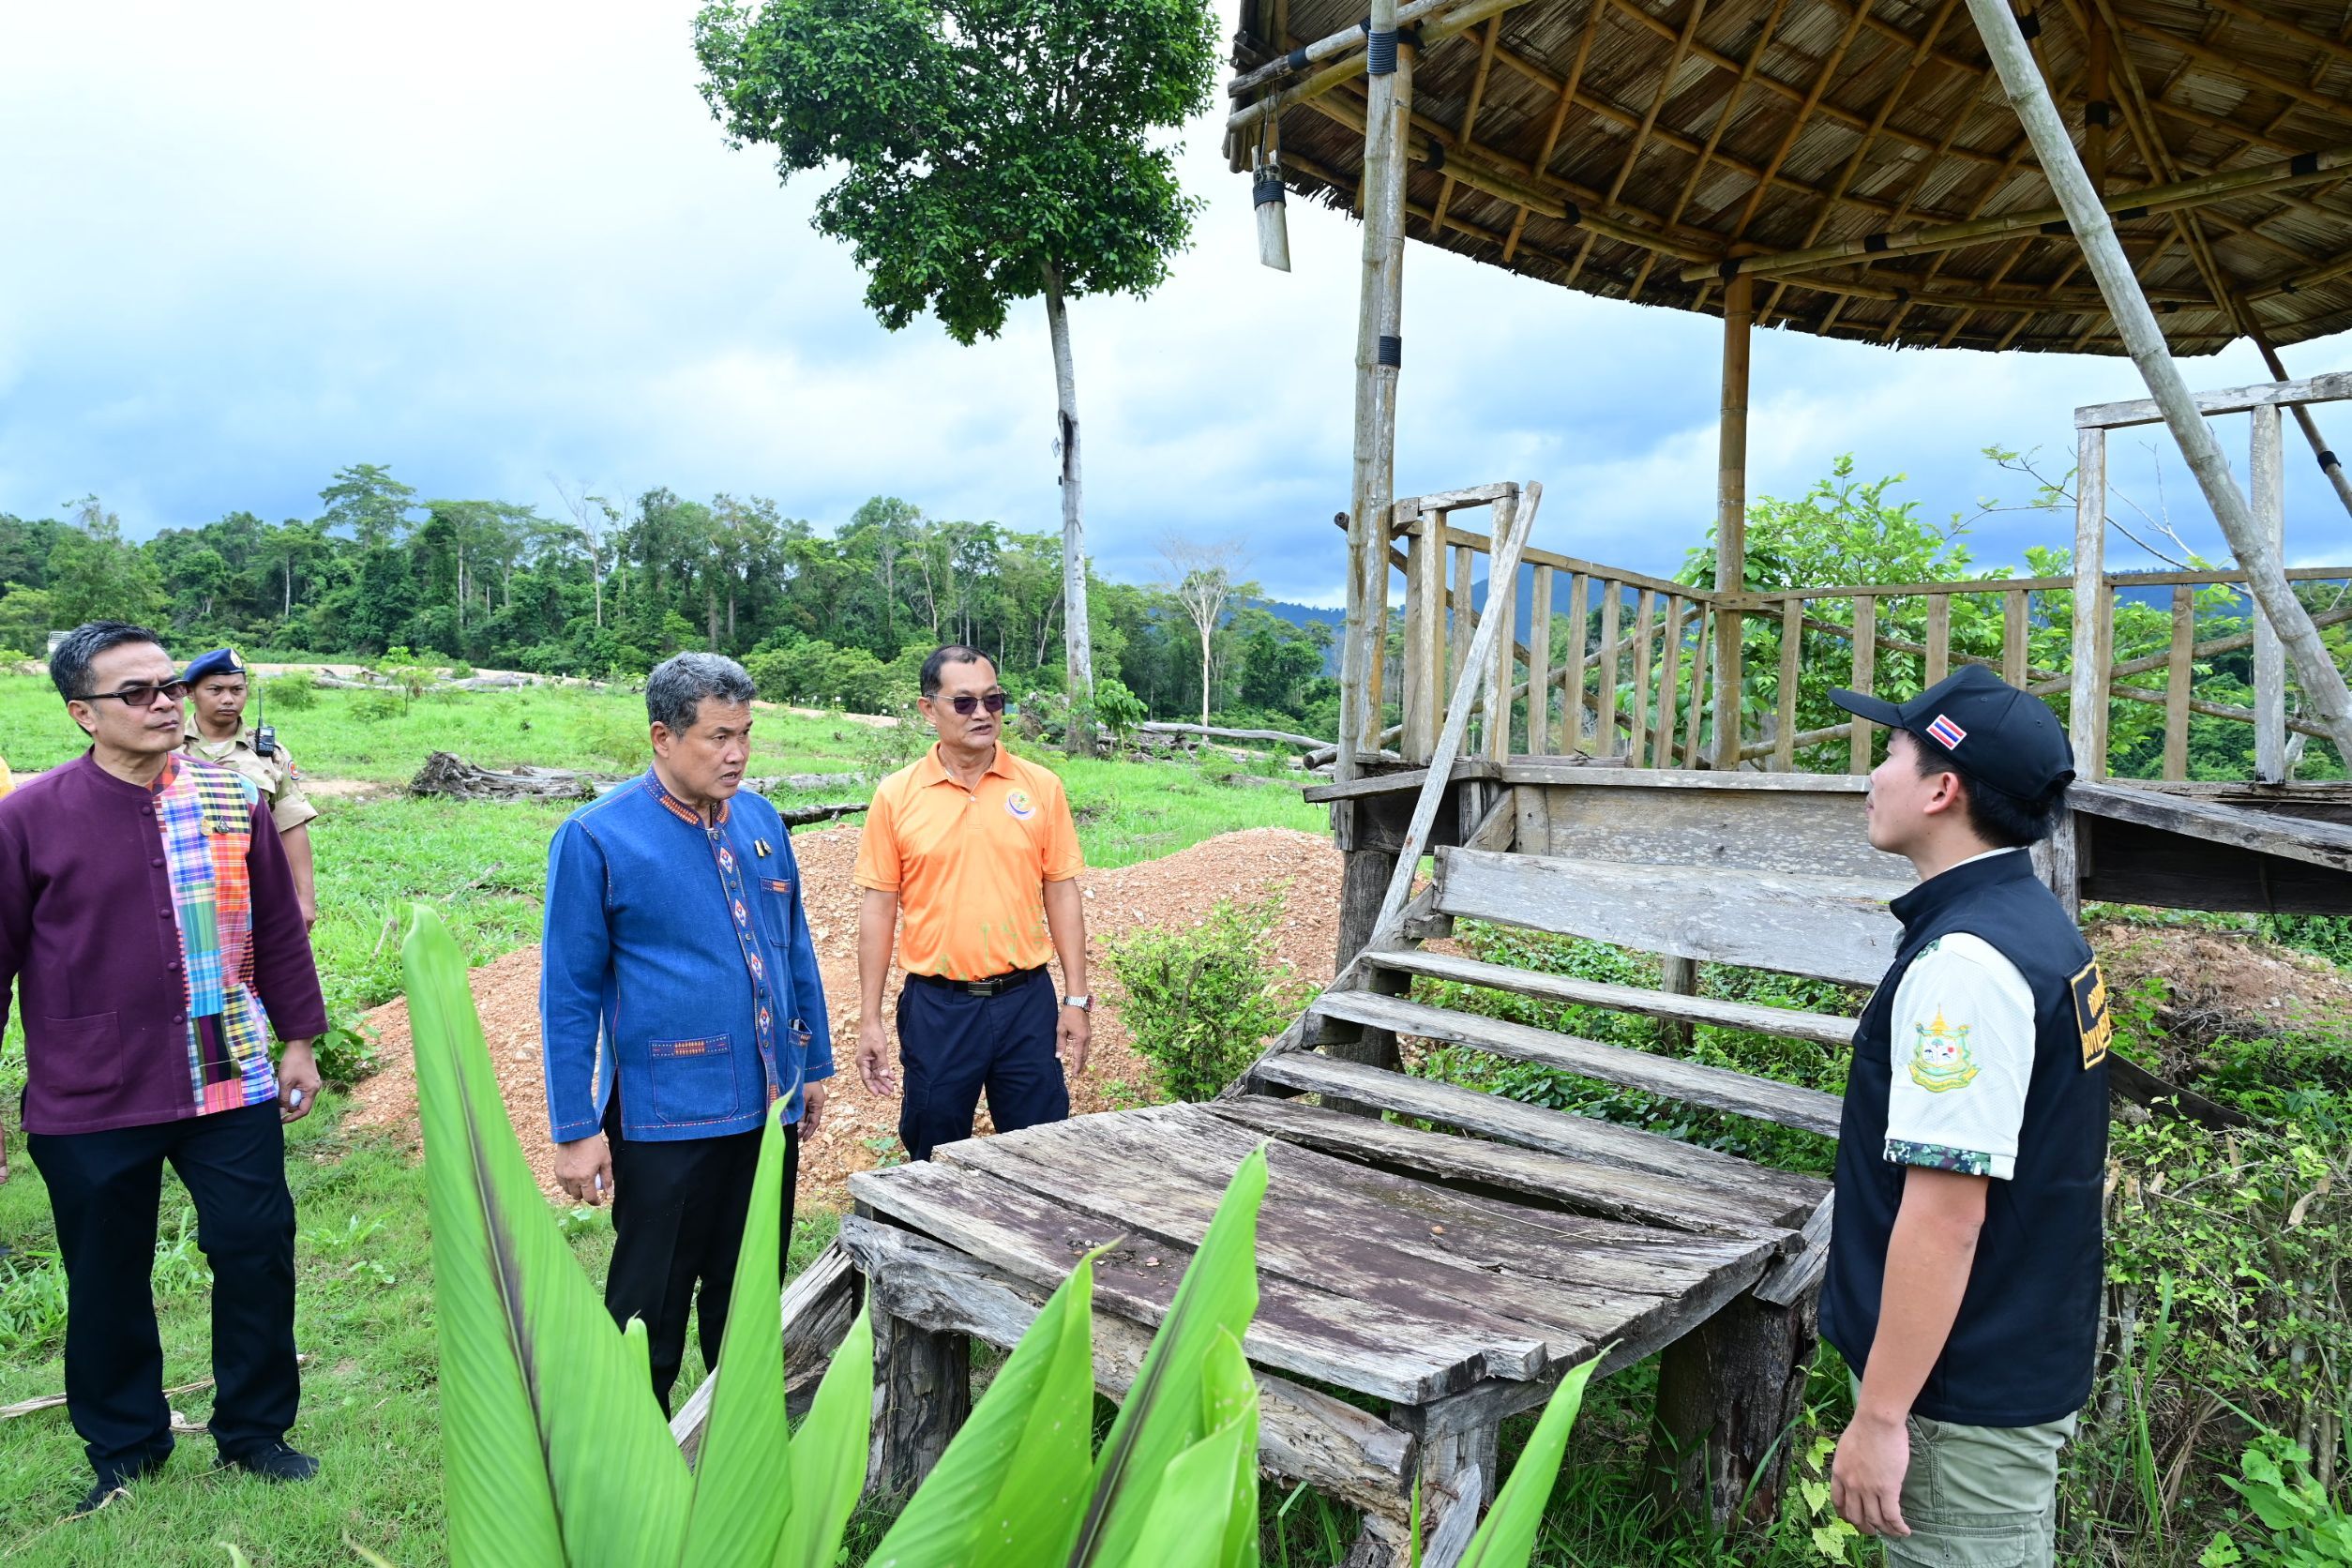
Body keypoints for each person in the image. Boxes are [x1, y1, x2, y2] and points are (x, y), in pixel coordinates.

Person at [0, 622, 326, 1515]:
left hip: (225, 1074)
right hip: (90, 1092)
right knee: (106, 1273)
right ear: (82, 714)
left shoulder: (232, 800)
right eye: (136, 694)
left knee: (257, 1249)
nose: (164, 705)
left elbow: (277, 931)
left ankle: (255, 1430)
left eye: (168, 688)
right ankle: (126, 1447)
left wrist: (299, 1038)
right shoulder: (27, 819)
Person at [1820, 664, 2109, 1566]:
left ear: (1943, 788)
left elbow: (1947, 1215)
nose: (1872, 774)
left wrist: (1881, 1414)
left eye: (1892, 752)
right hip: (2008, 1351)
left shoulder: (1969, 966)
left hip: (1962, 1394)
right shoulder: (2036, 927)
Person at [538, 652, 833, 1413]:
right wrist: (575, 1126)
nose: (736, 753)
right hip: (664, 1118)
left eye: (745, 734)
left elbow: (792, 946)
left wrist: (814, 1067)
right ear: (662, 737)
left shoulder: (763, 822)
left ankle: (737, 1447)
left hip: (767, 1109)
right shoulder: (599, 837)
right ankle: (632, 1458)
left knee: (748, 1301)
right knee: (650, 1307)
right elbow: (568, 992)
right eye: (717, 737)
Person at [852, 645, 1091, 1162]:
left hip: (1026, 1002)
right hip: (938, 1007)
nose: (982, 714)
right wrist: (868, 1018)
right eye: (964, 703)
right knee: (934, 1148)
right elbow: (878, 909)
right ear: (927, 709)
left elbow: (1061, 890)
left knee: (1042, 1148)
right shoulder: (897, 796)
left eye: (993, 700)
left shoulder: (1041, 788)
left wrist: (1076, 998)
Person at [179, 649, 321, 930]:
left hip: (255, 883)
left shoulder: (268, 753)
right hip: (185, 883)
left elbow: (290, 823)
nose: (228, 699)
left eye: (237, 689)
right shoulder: (166, 747)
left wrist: (305, 899)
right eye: (215, 690)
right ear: (190, 693)